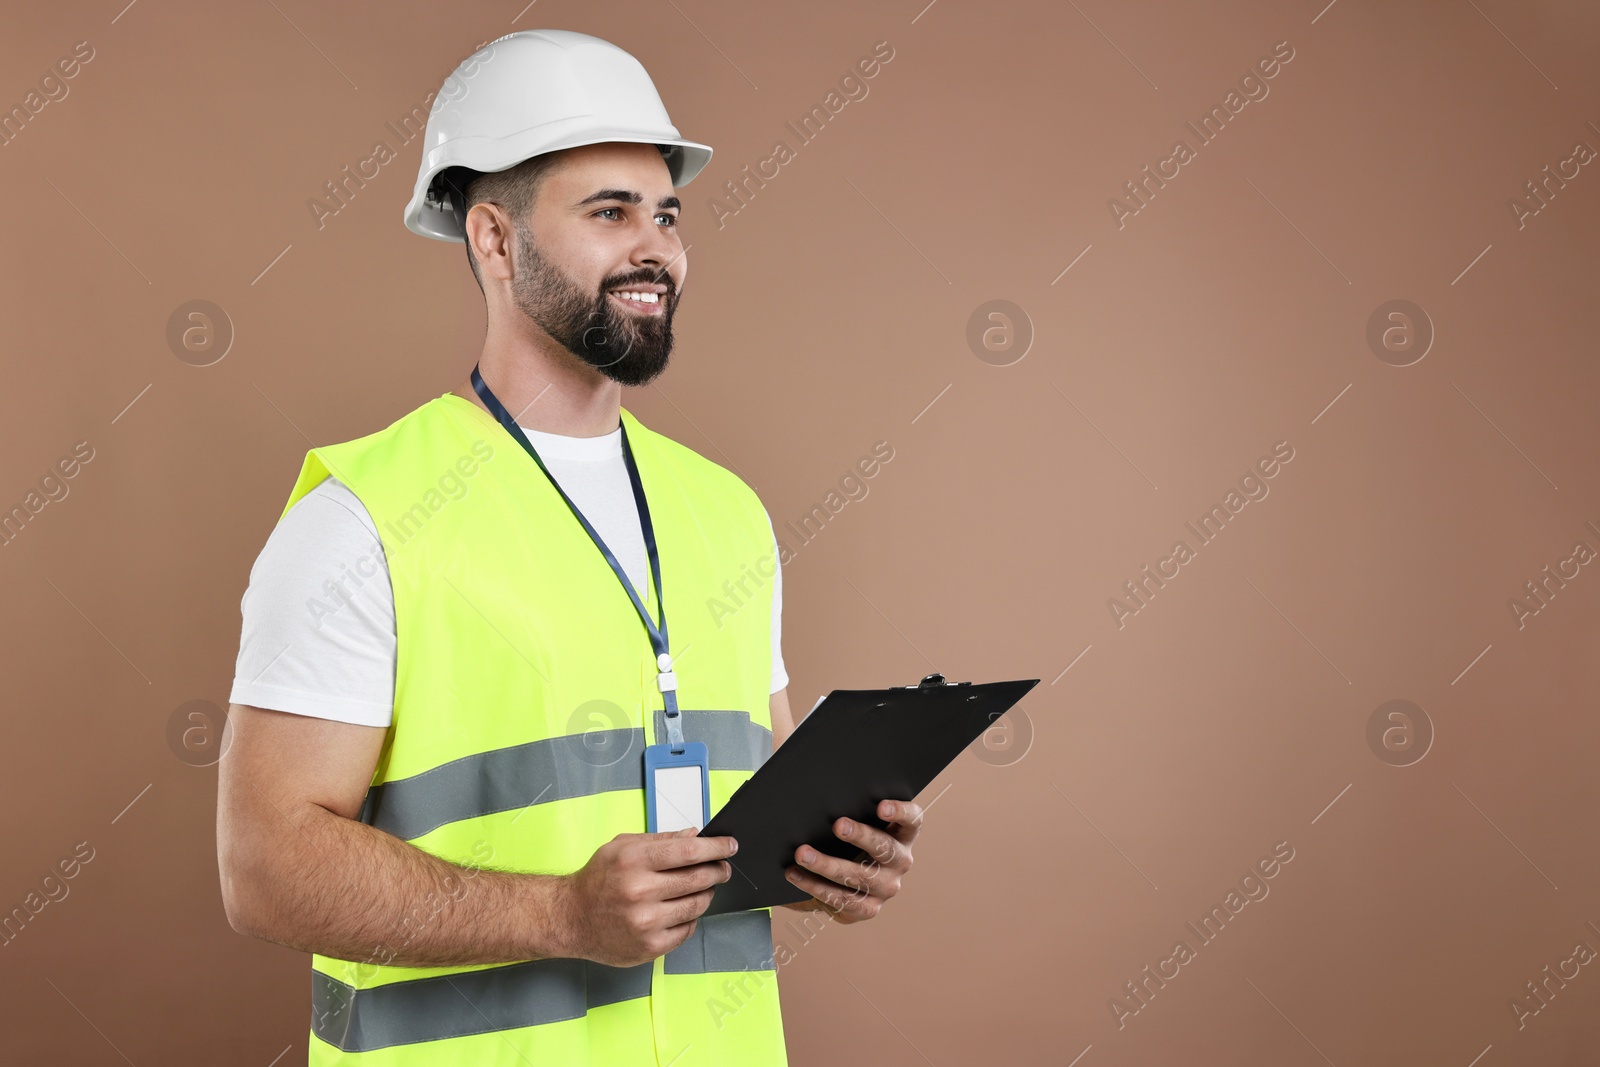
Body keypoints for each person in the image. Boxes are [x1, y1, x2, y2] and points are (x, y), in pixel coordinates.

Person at [215, 29, 925, 1066]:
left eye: (667, 214)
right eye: (609, 212)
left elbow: (753, 811)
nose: (657, 247)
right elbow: (265, 866)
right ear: (494, 241)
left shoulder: (725, 511)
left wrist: (832, 857)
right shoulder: (363, 517)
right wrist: (561, 915)